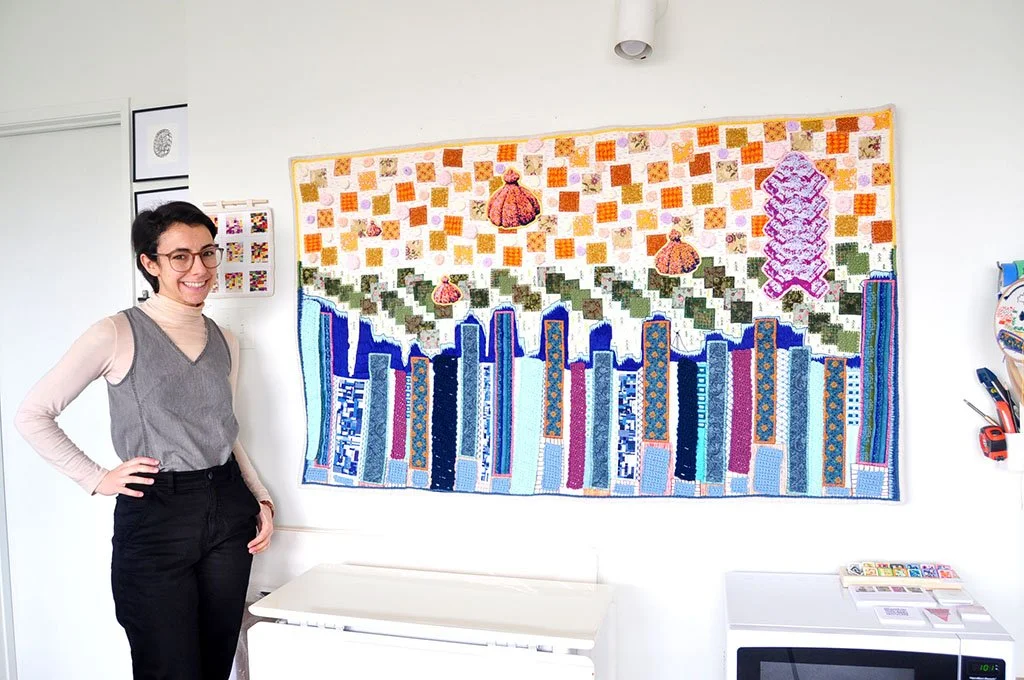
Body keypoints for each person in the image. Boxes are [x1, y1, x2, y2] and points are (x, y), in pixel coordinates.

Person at [14, 201, 274, 679]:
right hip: (157, 515)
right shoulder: (116, 333)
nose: (199, 268)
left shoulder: (226, 341)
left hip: (227, 507)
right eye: (180, 256)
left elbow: (224, 428)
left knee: (216, 665)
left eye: (207, 253)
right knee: (167, 668)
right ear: (150, 264)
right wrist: (96, 478)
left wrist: (259, 497)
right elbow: (33, 414)